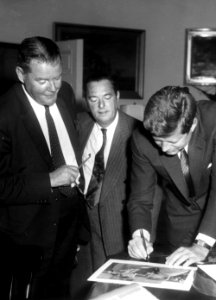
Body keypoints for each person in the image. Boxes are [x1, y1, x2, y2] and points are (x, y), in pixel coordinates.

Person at [0, 36, 90, 299]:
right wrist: (50, 179)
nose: (53, 88)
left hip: (68, 226)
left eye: (57, 77)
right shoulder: (4, 114)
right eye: (42, 81)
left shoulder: (66, 94)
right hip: (29, 238)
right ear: (20, 74)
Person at [127, 86, 216, 267]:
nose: (164, 149)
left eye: (173, 141)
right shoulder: (140, 140)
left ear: (192, 124)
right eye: (158, 140)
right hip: (181, 216)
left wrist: (202, 245)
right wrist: (140, 236)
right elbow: (140, 197)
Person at [70, 74, 140, 298]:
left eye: (107, 97)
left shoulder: (138, 133)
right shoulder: (79, 124)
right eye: (93, 99)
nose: (100, 106)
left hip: (118, 230)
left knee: (114, 293)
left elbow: (150, 193)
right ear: (86, 101)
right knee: (82, 290)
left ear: (117, 97)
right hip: (82, 228)